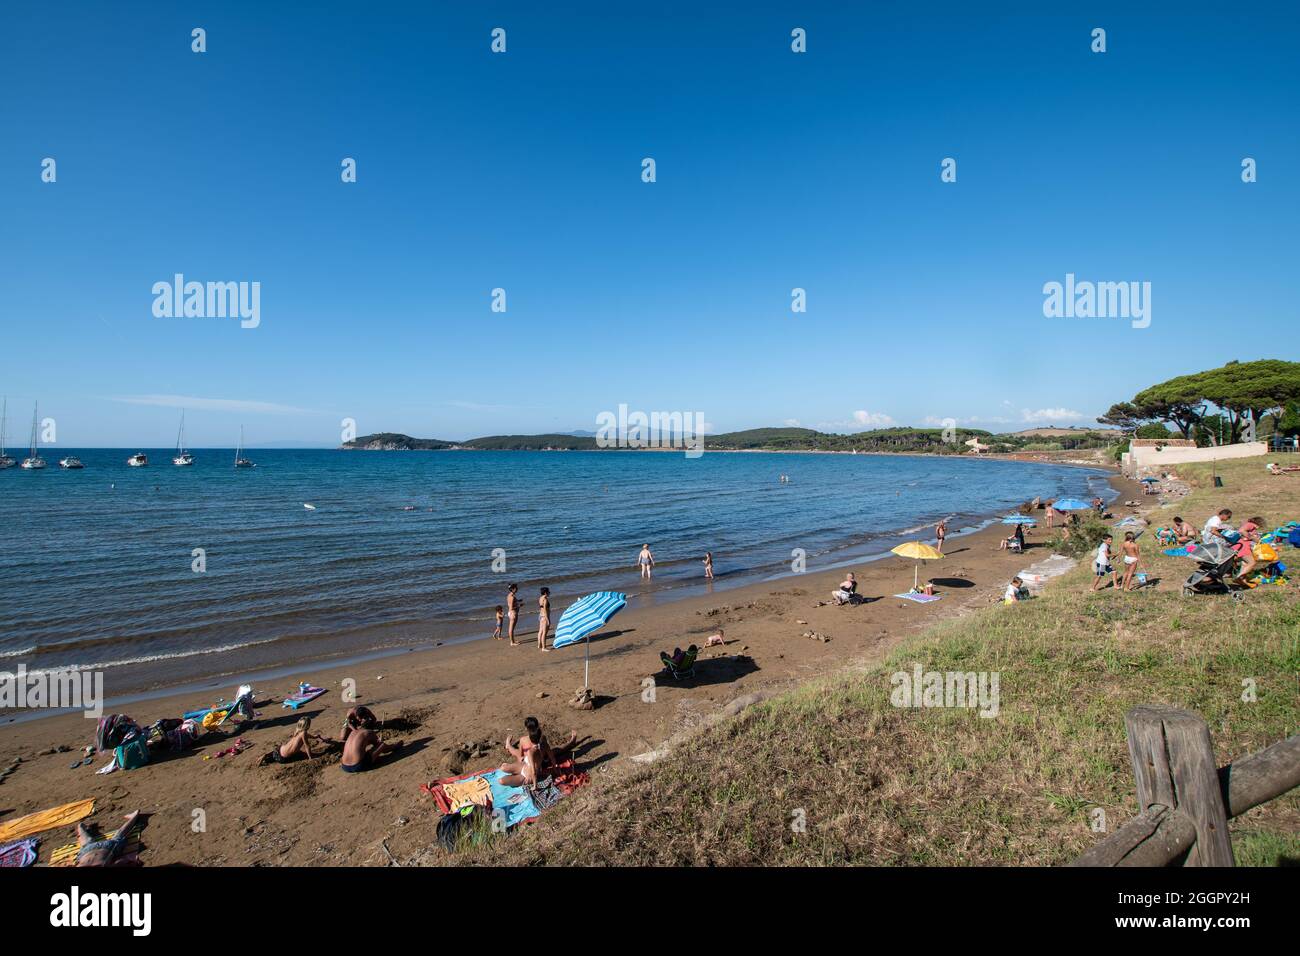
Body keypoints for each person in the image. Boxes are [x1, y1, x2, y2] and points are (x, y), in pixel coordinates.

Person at [75, 810, 143, 867]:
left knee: (120, 834)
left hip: (105, 848)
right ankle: (81, 826)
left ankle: (134, 816)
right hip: (88, 850)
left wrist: (133, 862)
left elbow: (121, 861)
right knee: (86, 840)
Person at [262, 716, 334, 765]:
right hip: (282, 758)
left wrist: (315, 737)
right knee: (303, 754)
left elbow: (307, 736)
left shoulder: (297, 731)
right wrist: (310, 758)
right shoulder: (303, 733)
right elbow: (307, 746)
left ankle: (267, 756)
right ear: (307, 725)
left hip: (277, 750)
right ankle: (268, 758)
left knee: (281, 753)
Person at [1231, 516, 1264, 582]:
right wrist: (1252, 537)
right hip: (1243, 547)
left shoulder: (1251, 526)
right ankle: (1238, 577)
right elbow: (1241, 530)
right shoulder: (1251, 525)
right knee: (1252, 562)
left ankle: (1243, 580)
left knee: (1245, 564)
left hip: (1240, 546)